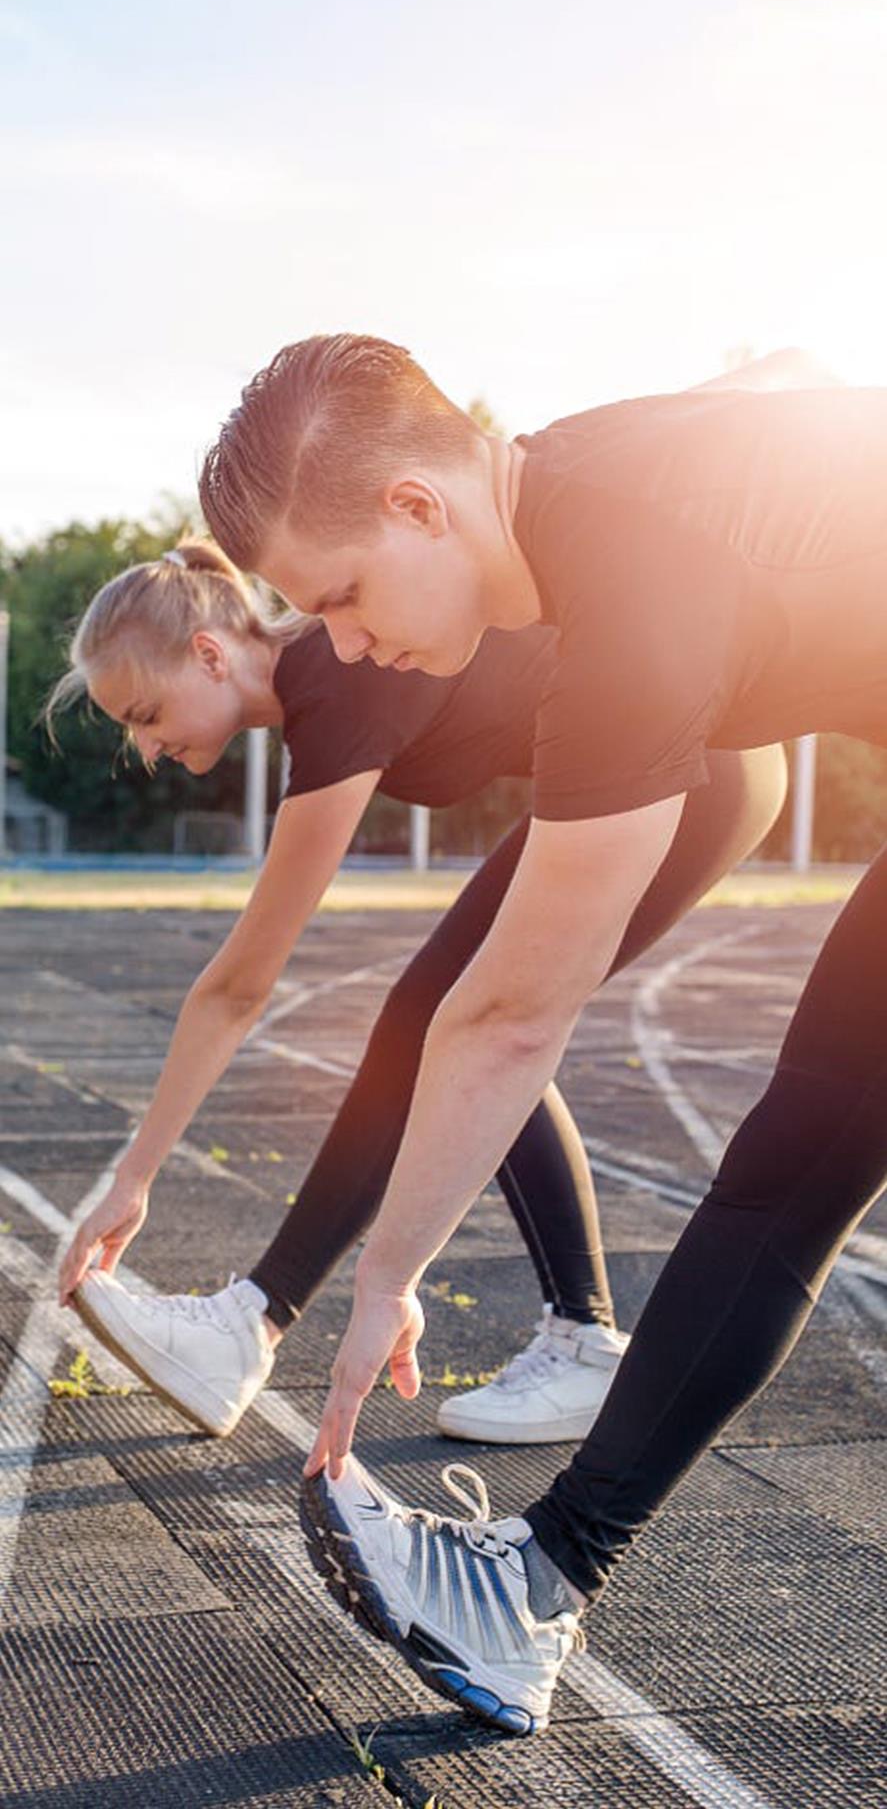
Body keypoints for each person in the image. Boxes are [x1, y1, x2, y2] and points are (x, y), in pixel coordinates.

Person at [198, 334, 887, 1737]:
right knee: (792, 1159)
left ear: (413, 504)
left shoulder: (627, 583)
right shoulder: (570, 505)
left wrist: (381, 1280)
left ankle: (537, 1587)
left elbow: (512, 1014)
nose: (340, 645)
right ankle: (539, 1586)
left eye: (337, 596)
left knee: (793, 1159)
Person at [52, 540, 784, 1446]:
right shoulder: (327, 681)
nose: (147, 746)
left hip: (698, 764)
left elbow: (240, 983)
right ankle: (559, 1331)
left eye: (148, 712)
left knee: (446, 1019)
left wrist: (134, 1177)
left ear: (209, 653)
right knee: (450, 1019)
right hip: (657, 763)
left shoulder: (336, 677)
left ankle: (269, 1322)